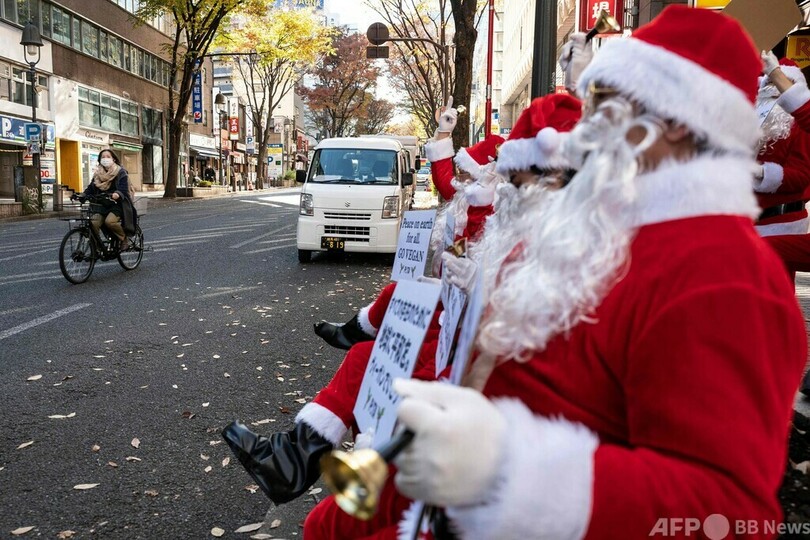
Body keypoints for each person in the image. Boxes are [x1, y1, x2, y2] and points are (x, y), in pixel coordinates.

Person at [310, 6, 807, 539]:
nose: (585, 129)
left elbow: (728, 514)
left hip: (498, 513)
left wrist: (507, 471)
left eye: (607, 104)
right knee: (327, 522)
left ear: (678, 119)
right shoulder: (600, 231)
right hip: (445, 489)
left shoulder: (723, 274)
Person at [302, 93, 582, 539]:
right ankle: (295, 454)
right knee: (373, 345)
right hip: (464, 365)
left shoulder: (568, 255)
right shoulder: (512, 221)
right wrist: (442, 137)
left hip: (498, 455)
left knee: (382, 340)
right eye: (507, 178)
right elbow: (448, 183)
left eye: (518, 181)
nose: (507, 188)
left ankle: (353, 351)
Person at [753, 58, 810, 236]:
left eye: (779, 87)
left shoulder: (801, 125)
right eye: (768, 86)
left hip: (779, 223)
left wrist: (763, 173)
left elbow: (802, 175)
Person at [79, 149, 132, 251]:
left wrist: (118, 194)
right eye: (103, 157)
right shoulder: (97, 174)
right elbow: (91, 188)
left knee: (110, 222)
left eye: (108, 157)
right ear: (99, 160)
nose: (105, 159)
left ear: (114, 159)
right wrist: (83, 195)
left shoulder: (121, 172)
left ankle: (124, 238)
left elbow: (124, 189)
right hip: (101, 206)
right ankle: (98, 246)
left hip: (116, 205)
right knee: (93, 223)